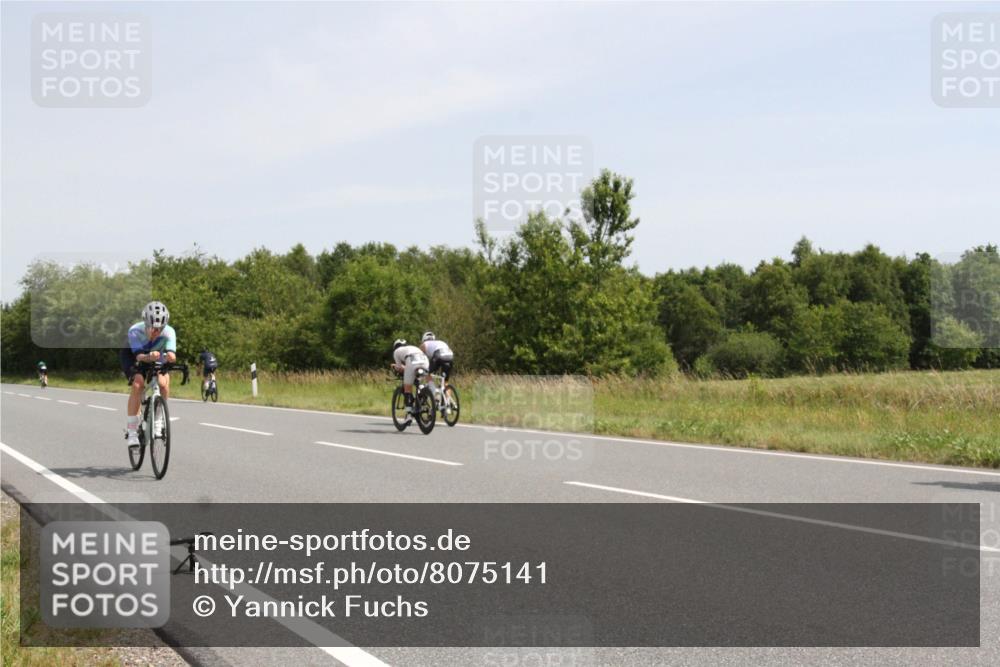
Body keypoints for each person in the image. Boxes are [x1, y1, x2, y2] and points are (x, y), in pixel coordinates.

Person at [119, 301, 177, 446]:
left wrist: (170, 356)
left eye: (160, 328)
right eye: (152, 328)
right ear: (146, 323)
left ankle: (158, 421)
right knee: (138, 384)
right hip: (134, 356)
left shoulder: (169, 332)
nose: (156, 332)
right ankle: (132, 431)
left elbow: (171, 354)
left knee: (163, 384)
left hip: (157, 355)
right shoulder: (134, 331)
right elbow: (139, 357)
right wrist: (148, 356)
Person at [391, 339, 428, 414]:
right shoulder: (412, 347)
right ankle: (422, 393)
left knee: (407, 388)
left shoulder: (396, 352)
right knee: (419, 380)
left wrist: (394, 366)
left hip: (411, 361)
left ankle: (409, 415)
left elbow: (399, 368)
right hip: (425, 361)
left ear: (395, 347)